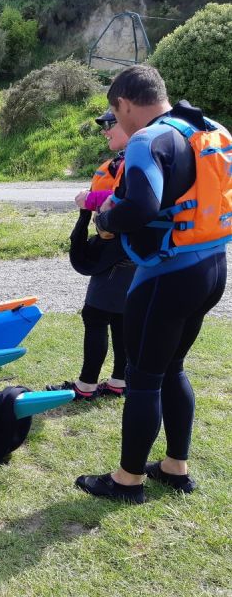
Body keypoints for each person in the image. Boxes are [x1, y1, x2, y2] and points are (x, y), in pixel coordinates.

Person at [75, 65, 229, 503]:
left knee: (143, 378)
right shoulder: (210, 129)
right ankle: (174, 467)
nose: (115, 120)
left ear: (124, 103)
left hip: (167, 273)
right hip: (212, 267)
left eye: (114, 111)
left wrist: (104, 220)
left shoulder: (148, 139)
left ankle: (127, 481)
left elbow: (139, 204)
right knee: (172, 368)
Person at [46, 112, 134, 400]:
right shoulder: (140, 154)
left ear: (129, 122)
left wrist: (91, 200)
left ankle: (85, 387)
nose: (105, 131)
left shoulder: (135, 157)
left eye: (111, 124)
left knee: (95, 316)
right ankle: (119, 381)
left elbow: (127, 200)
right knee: (121, 317)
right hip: (132, 252)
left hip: (117, 252)